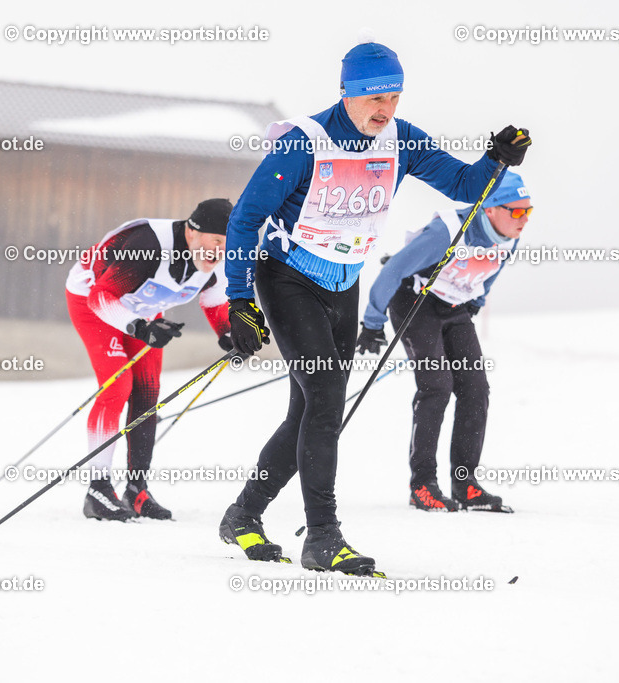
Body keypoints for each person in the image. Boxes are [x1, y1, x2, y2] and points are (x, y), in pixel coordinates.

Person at [219, 39, 530, 573]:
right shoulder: (303, 143)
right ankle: (323, 536)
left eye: (394, 97)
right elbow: (245, 219)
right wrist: (240, 298)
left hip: (343, 283)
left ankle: (243, 515)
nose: (384, 110)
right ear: (347, 93)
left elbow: (463, 183)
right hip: (288, 277)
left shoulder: (400, 140)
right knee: (323, 395)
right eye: (374, 99)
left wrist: (496, 160)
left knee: (312, 409)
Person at [357, 172, 532, 514]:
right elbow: (393, 270)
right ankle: (422, 485)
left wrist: (475, 303)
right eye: (517, 211)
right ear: (492, 208)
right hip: (415, 300)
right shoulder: (449, 231)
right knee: (437, 385)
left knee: (475, 388)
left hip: (453, 304)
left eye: (529, 211)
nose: (524, 219)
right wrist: (373, 323)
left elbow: (492, 271)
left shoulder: (510, 235)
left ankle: (465, 484)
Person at [66, 198, 235, 522]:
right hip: (95, 304)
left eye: (226, 245)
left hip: (141, 309)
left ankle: (136, 489)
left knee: (147, 392)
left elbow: (214, 299)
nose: (220, 251)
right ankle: (98, 489)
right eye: (216, 241)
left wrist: (229, 334)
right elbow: (100, 297)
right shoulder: (147, 245)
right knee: (118, 387)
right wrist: (140, 328)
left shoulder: (212, 259)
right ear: (193, 232)